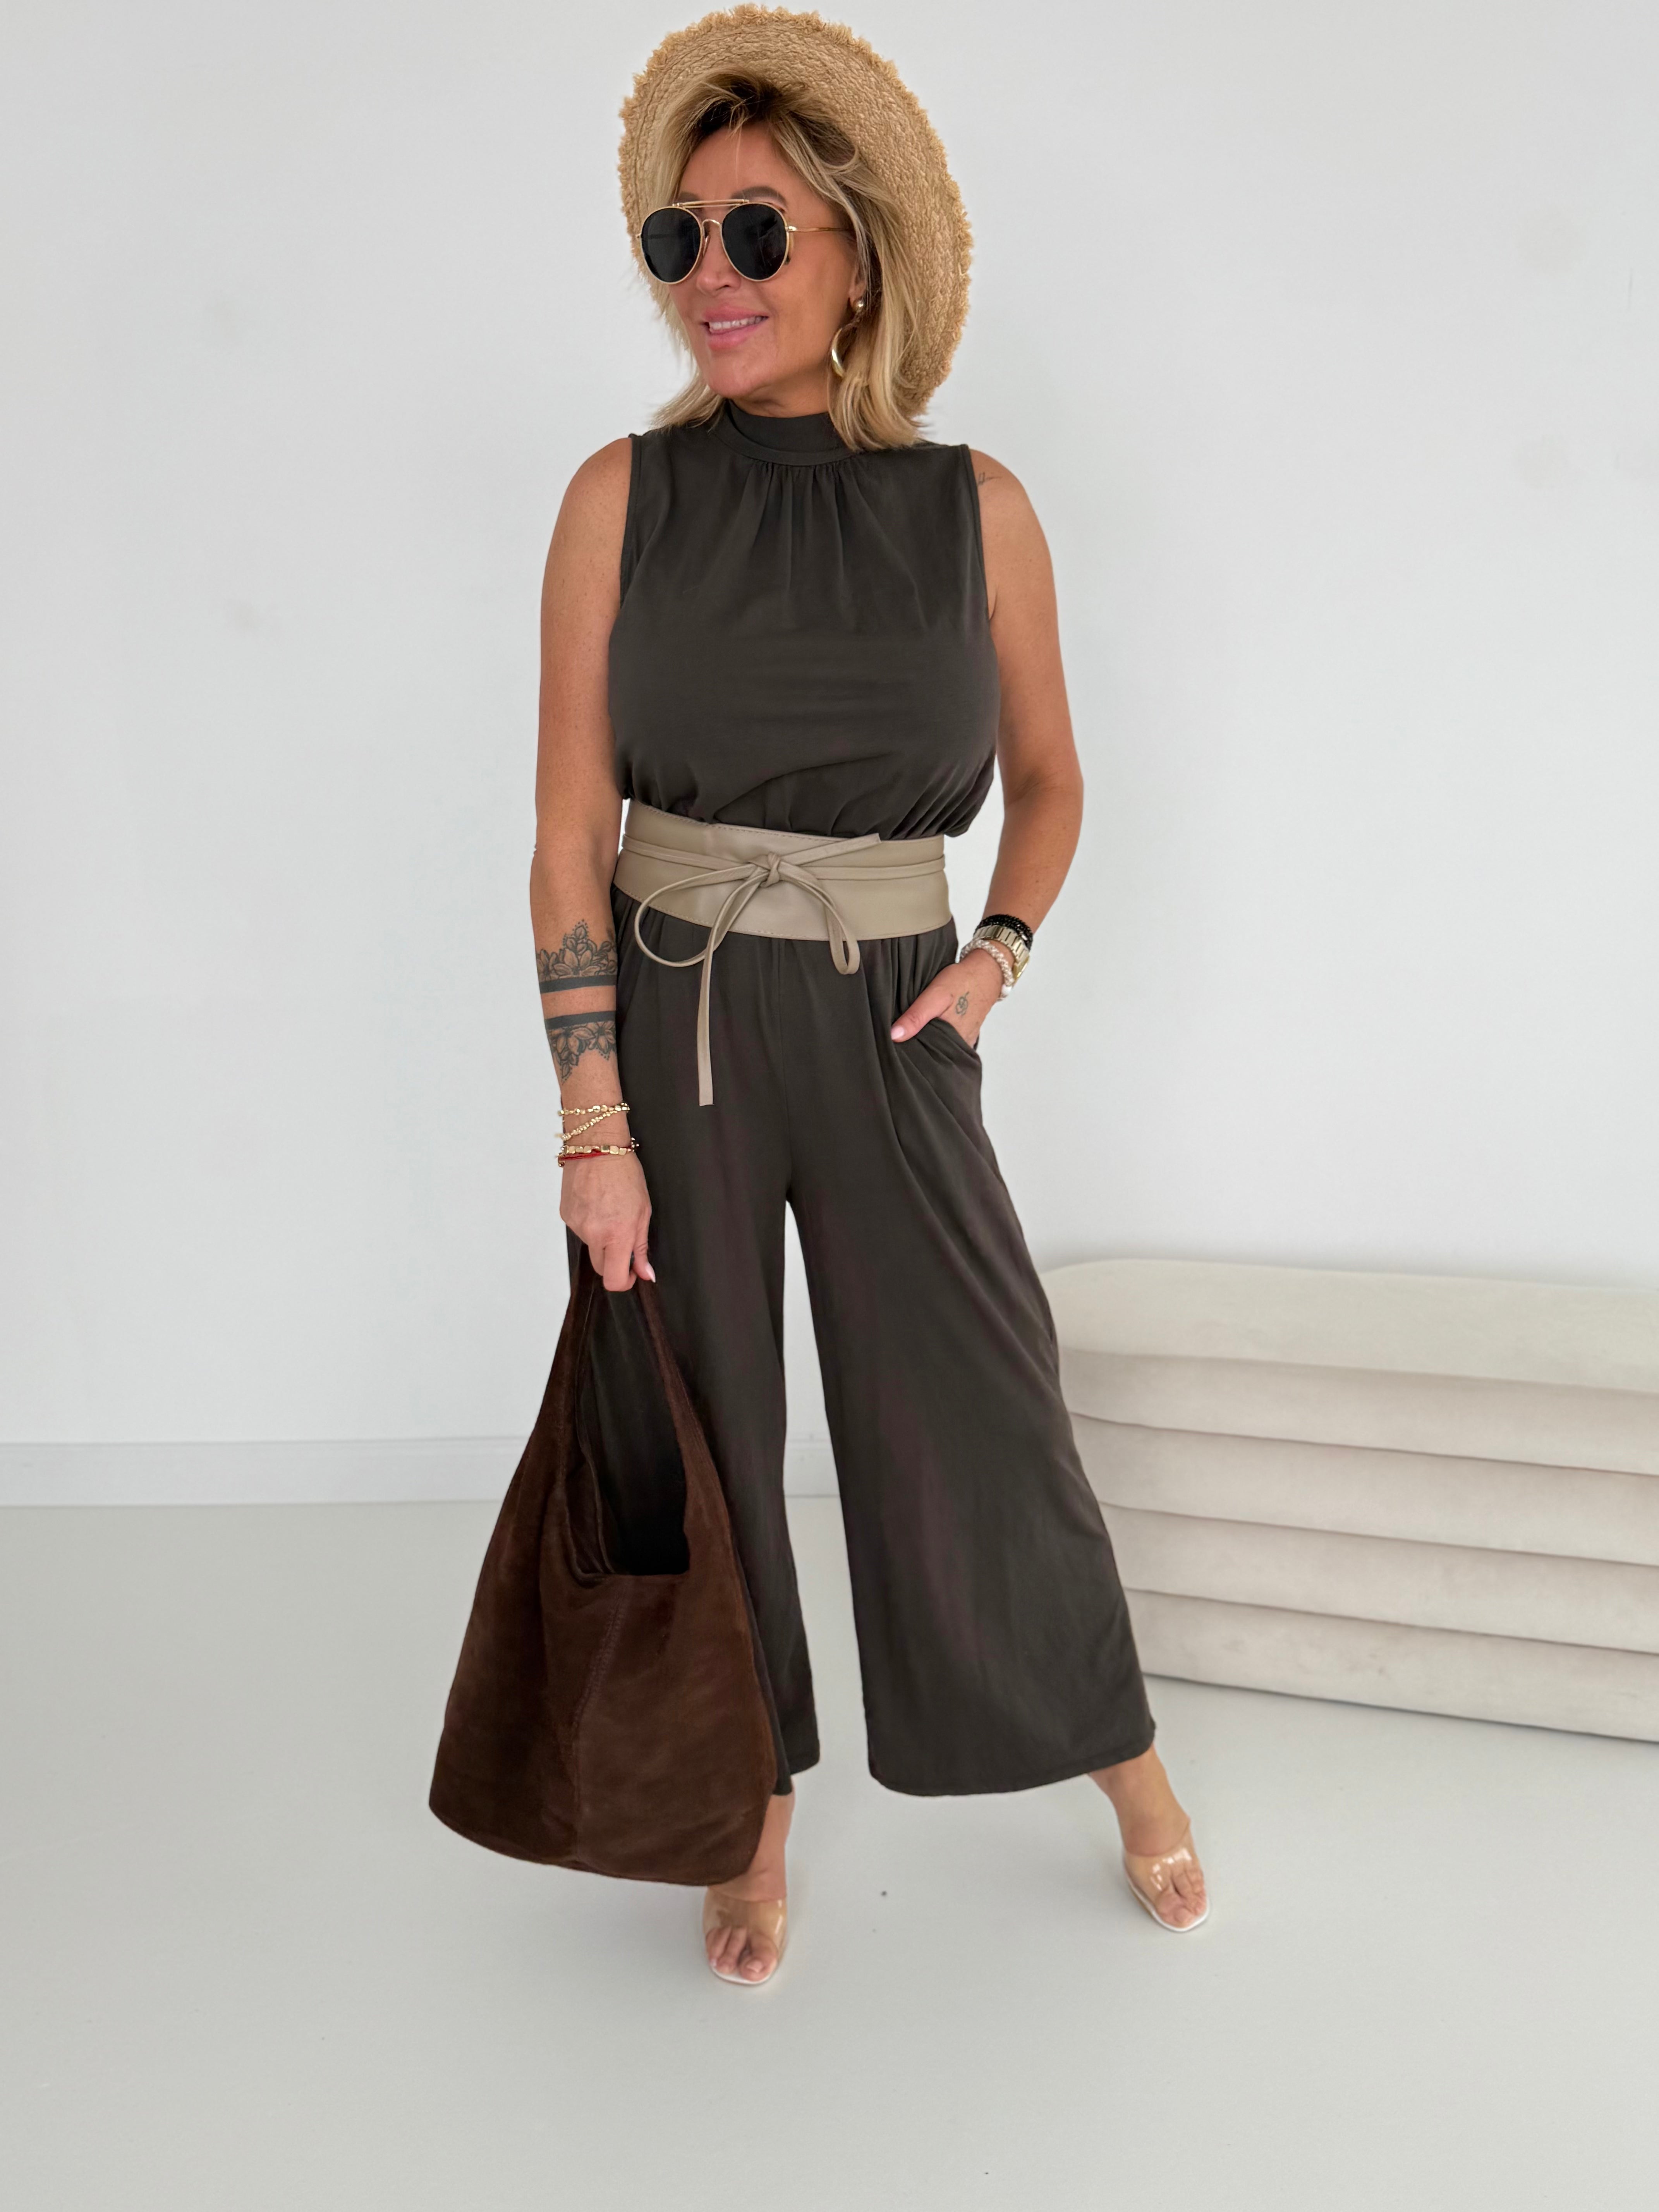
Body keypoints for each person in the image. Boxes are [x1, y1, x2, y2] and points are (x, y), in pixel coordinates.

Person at [529, 7, 1209, 1985]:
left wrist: (998, 960)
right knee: (709, 1427)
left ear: (854, 261)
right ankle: (747, 1810)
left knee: (978, 1411)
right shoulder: (619, 498)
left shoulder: (973, 507)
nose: (712, 277)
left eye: (757, 235)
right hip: (679, 1017)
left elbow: (1054, 780)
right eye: (679, 240)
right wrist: (593, 1122)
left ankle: (1123, 1758)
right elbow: (569, 831)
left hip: (900, 1012)